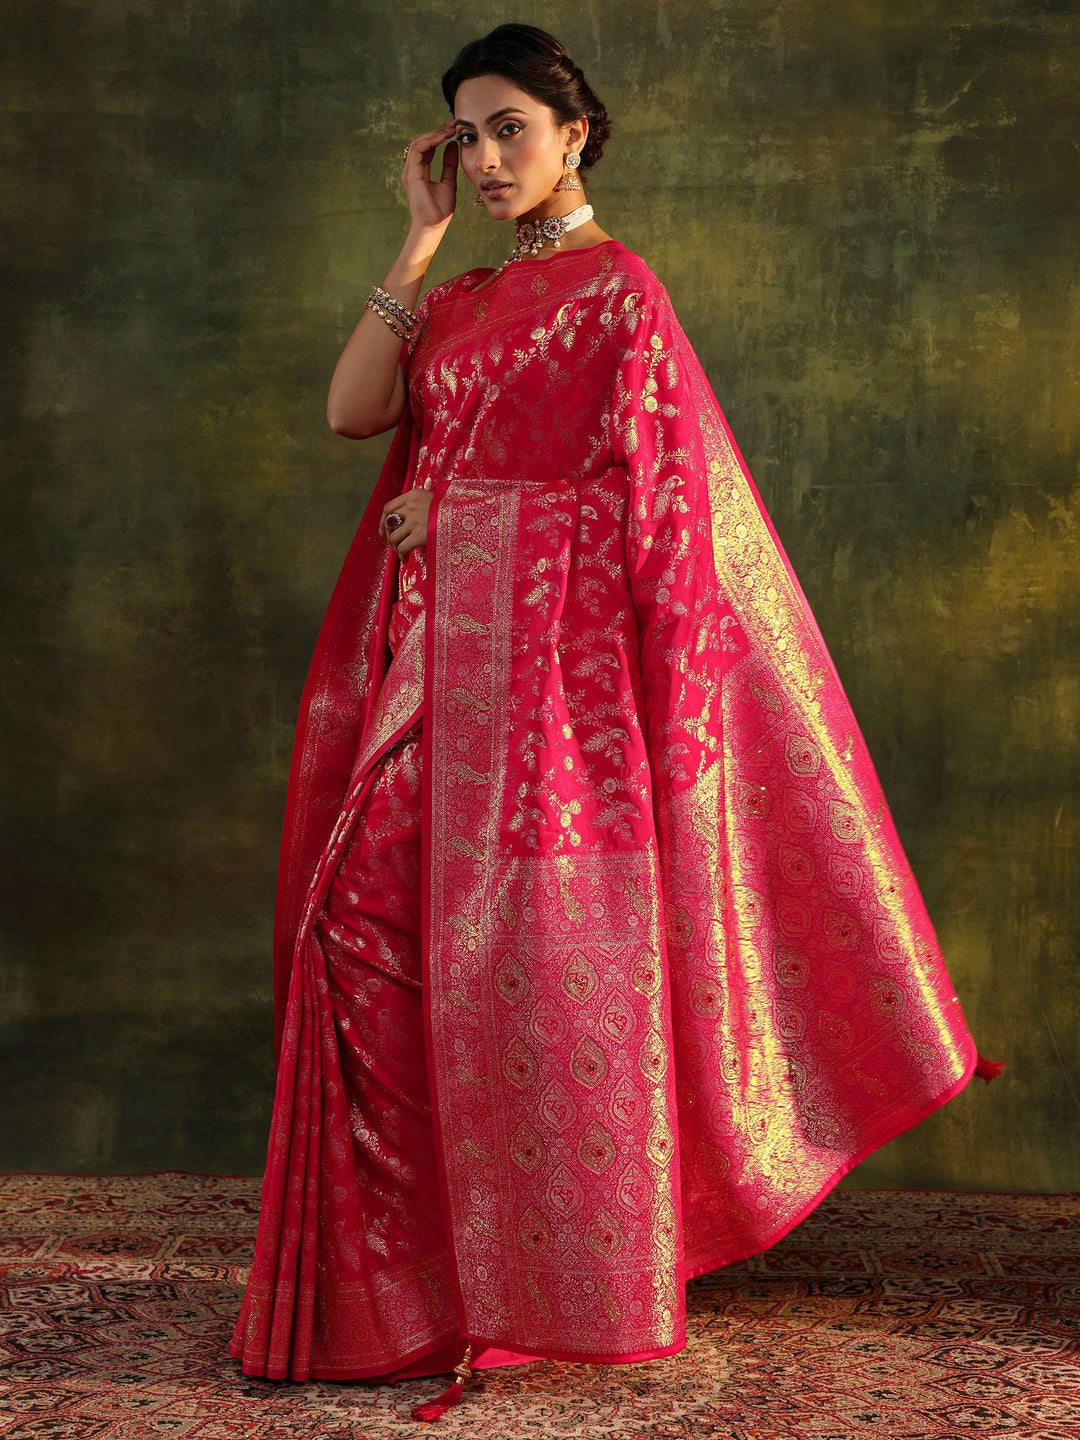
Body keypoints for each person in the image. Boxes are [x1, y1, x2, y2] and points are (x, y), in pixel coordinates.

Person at [229, 22, 994, 1422]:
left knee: (493, 962)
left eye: (512, 127)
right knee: (354, 935)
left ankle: (542, 1279)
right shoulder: (457, 298)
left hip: (547, 716)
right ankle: (415, 1284)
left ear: (578, 133)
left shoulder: (620, 295)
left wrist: (464, 521)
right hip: (430, 678)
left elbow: (665, 523)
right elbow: (353, 412)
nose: (489, 156)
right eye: (466, 134)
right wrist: (414, 242)